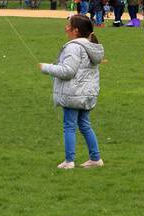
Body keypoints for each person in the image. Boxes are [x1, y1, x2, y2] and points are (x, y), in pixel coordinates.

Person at [38, 13, 105, 170]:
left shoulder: (74, 47)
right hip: (85, 94)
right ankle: (95, 158)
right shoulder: (88, 46)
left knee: (69, 126)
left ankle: (69, 161)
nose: (65, 28)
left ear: (75, 31)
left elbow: (68, 71)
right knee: (84, 125)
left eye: (68, 25)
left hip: (74, 94)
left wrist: (46, 67)